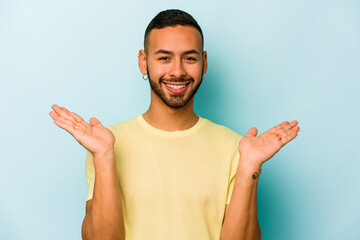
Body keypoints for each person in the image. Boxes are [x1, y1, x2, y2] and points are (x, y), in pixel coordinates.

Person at [49, 9, 300, 240]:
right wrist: (103, 156)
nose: (178, 71)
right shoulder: (105, 144)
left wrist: (249, 166)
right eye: (164, 58)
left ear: (204, 63)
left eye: (189, 58)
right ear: (143, 62)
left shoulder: (237, 148)